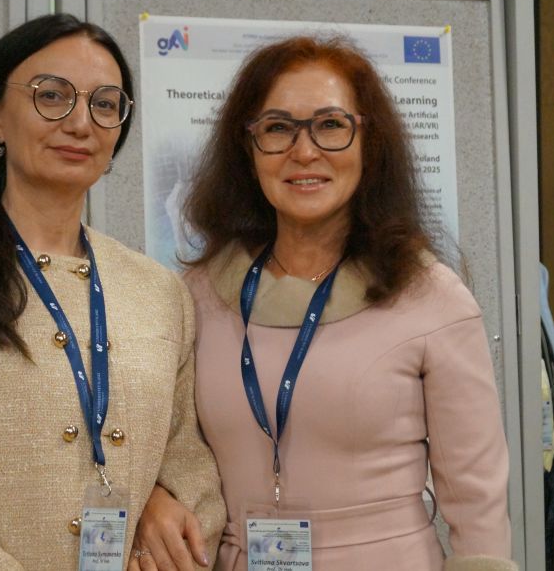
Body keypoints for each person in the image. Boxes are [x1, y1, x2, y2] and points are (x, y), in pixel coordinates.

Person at [0, 13, 225, 570]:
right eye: (52, 96)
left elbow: (190, 462)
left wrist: (166, 521)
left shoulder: (158, 289)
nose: (80, 123)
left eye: (104, 104)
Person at [162, 35, 515, 570]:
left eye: (330, 125)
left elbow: (477, 497)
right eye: (277, 128)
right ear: (248, 149)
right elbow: (166, 449)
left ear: (370, 145)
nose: (304, 151)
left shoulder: (432, 298)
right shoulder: (199, 294)